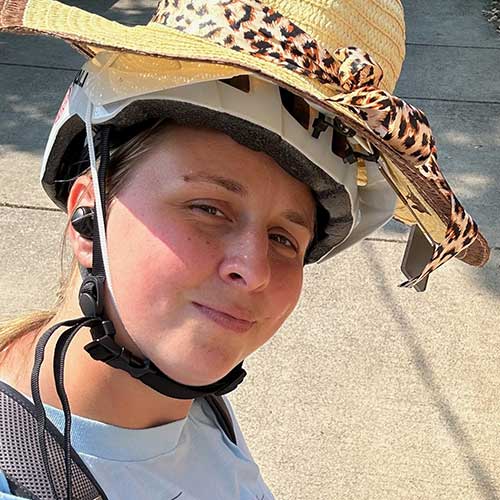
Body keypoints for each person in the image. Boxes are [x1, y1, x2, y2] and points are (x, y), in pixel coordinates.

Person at [0, 0, 490, 499]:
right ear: (88, 218)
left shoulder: (191, 400)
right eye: (208, 209)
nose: (254, 271)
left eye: (284, 239)